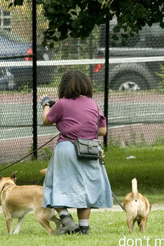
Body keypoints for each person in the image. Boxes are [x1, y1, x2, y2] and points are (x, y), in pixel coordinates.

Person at [40, 70, 112, 235]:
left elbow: (46, 121)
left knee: (52, 184)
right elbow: (103, 130)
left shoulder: (62, 104)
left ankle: (66, 219)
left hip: (66, 148)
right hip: (90, 149)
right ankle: (84, 228)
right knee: (86, 189)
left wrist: (45, 104)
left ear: (63, 87)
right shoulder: (94, 104)